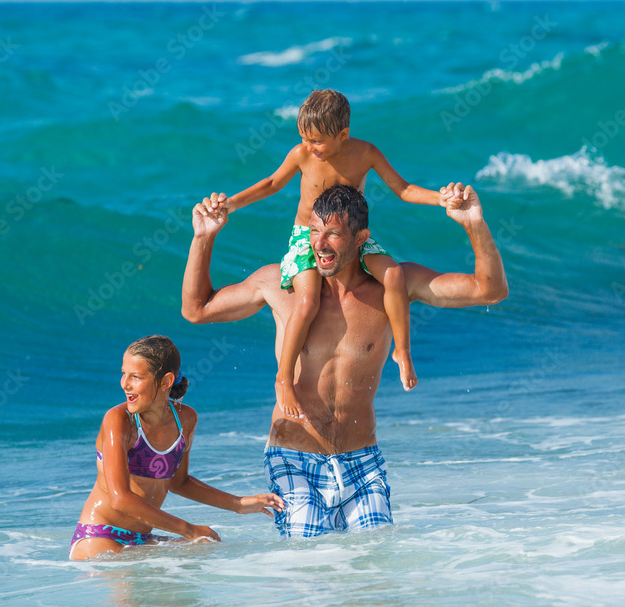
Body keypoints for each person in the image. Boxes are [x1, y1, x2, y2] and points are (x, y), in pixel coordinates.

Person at [181, 183, 507, 538]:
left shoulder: (393, 287)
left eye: (333, 234)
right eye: (315, 232)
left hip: (362, 461)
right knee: (311, 567)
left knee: (373, 569)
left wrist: (473, 223)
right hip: (294, 457)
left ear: (360, 237)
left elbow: (489, 290)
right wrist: (203, 238)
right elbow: (196, 310)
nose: (320, 244)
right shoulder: (280, 285)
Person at [220, 89, 449, 420]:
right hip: (307, 238)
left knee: (394, 275)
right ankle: (283, 378)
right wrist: (231, 204)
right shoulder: (302, 154)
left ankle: (402, 351)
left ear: (343, 135)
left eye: (317, 141)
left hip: (350, 237)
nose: (309, 147)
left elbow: (403, 189)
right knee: (307, 300)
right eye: (304, 139)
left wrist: (441, 199)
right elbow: (271, 183)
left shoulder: (366, 153)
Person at [70, 335, 285, 560]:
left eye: (136, 376)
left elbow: (178, 482)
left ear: (166, 381)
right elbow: (120, 499)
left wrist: (239, 504)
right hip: (100, 535)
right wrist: (189, 530)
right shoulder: (119, 420)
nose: (125, 383)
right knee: (138, 588)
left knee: (210, 548)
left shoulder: (186, 419)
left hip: (142, 539)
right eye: (124, 374)